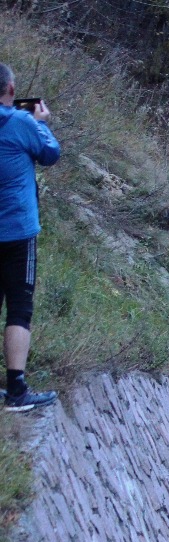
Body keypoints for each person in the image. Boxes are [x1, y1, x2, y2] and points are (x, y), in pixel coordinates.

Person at [0, 64, 59, 412]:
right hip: (18, 231)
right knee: (19, 309)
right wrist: (41, 121)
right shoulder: (21, 122)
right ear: (10, 88)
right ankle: (17, 390)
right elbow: (50, 154)